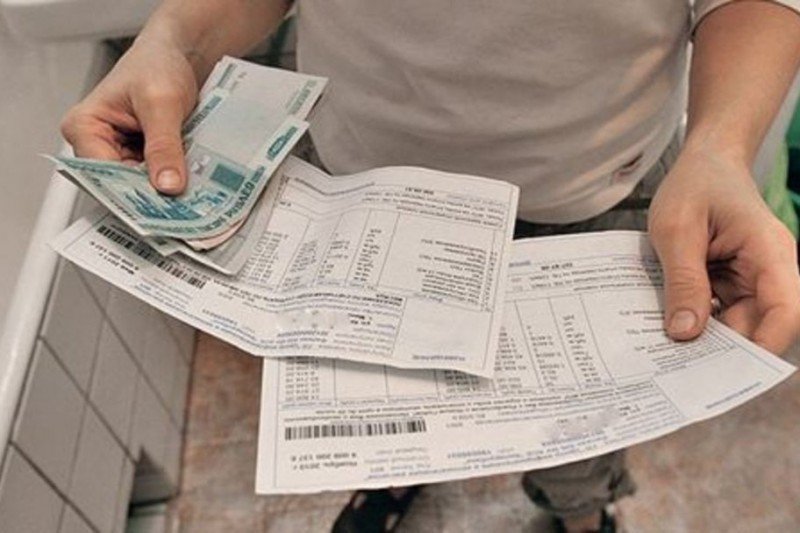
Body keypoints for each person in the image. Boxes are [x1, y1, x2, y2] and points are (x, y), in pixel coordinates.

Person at [61, 1, 800, 532]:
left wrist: (721, 145)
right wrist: (176, 36)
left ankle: (581, 511)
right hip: (367, 186)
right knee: (388, 396)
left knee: (579, 430)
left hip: (599, 190)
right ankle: (395, 477)